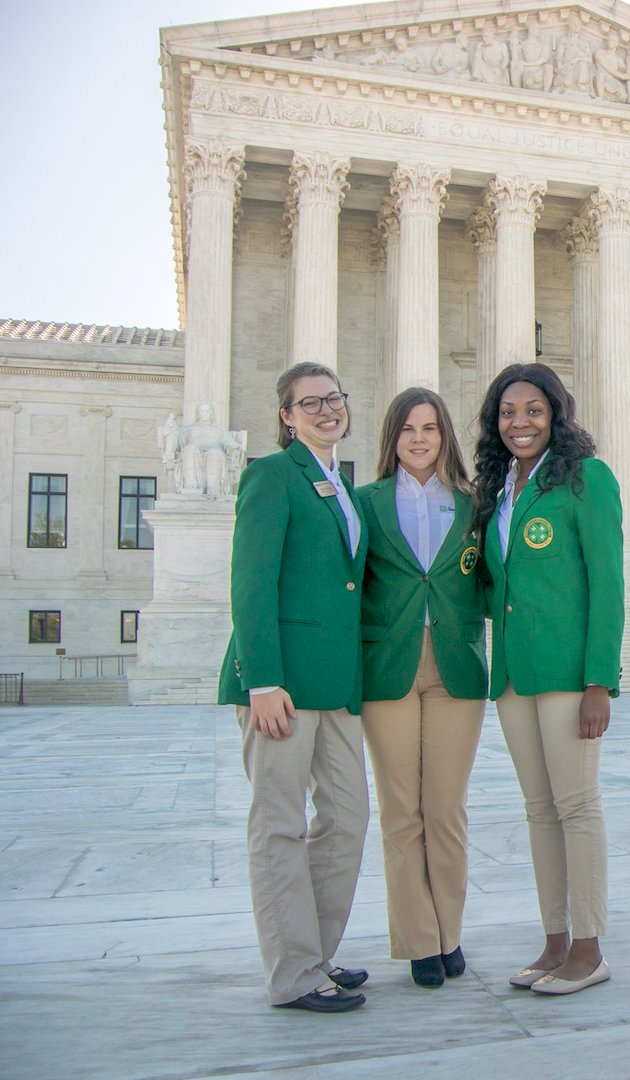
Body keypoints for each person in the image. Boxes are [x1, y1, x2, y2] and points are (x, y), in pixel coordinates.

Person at [217, 361, 370, 1013]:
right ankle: (294, 974)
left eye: (334, 398)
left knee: (348, 820)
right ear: (286, 416)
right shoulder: (272, 475)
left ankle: (316, 954)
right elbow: (251, 583)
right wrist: (263, 680)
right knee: (278, 824)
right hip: (280, 686)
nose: (325, 410)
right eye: (310, 403)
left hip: (335, 685)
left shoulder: (344, 486)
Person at [472, 362, 623, 996]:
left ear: (557, 415)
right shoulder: (501, 489)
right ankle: (554, 941)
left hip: (567, 673)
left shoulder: (587, 479)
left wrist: (599, 681)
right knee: (539, 812)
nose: (520, 422)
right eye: (508, 413)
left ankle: (588, 949)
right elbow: (494, 583)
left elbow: (607, 584)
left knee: (577, 807)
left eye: (533, 410)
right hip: (512, 674)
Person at [356, 388, 488, 988]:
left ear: (444, 436)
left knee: (446, 810)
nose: (419, 438)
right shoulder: (366, 503)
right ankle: (418, 942)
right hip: (389, 667)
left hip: (455, 667)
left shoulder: (472, 504)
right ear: (392, 437)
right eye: (407, 428)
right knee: (400, 810)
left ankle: (449, 932)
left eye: (430, 428)